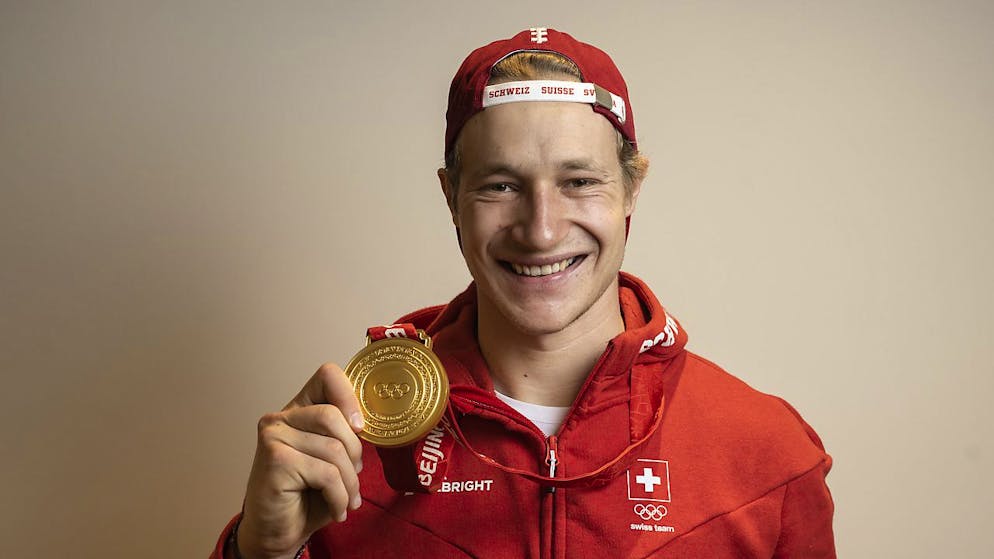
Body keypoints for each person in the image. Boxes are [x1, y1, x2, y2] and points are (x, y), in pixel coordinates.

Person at [211, 28, 836, 559]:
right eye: (501, 186)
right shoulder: (343, 452)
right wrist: (260, 553)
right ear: (451, 197)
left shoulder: (767, 455)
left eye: (579, 181)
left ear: (631, 190)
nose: (541, 230)